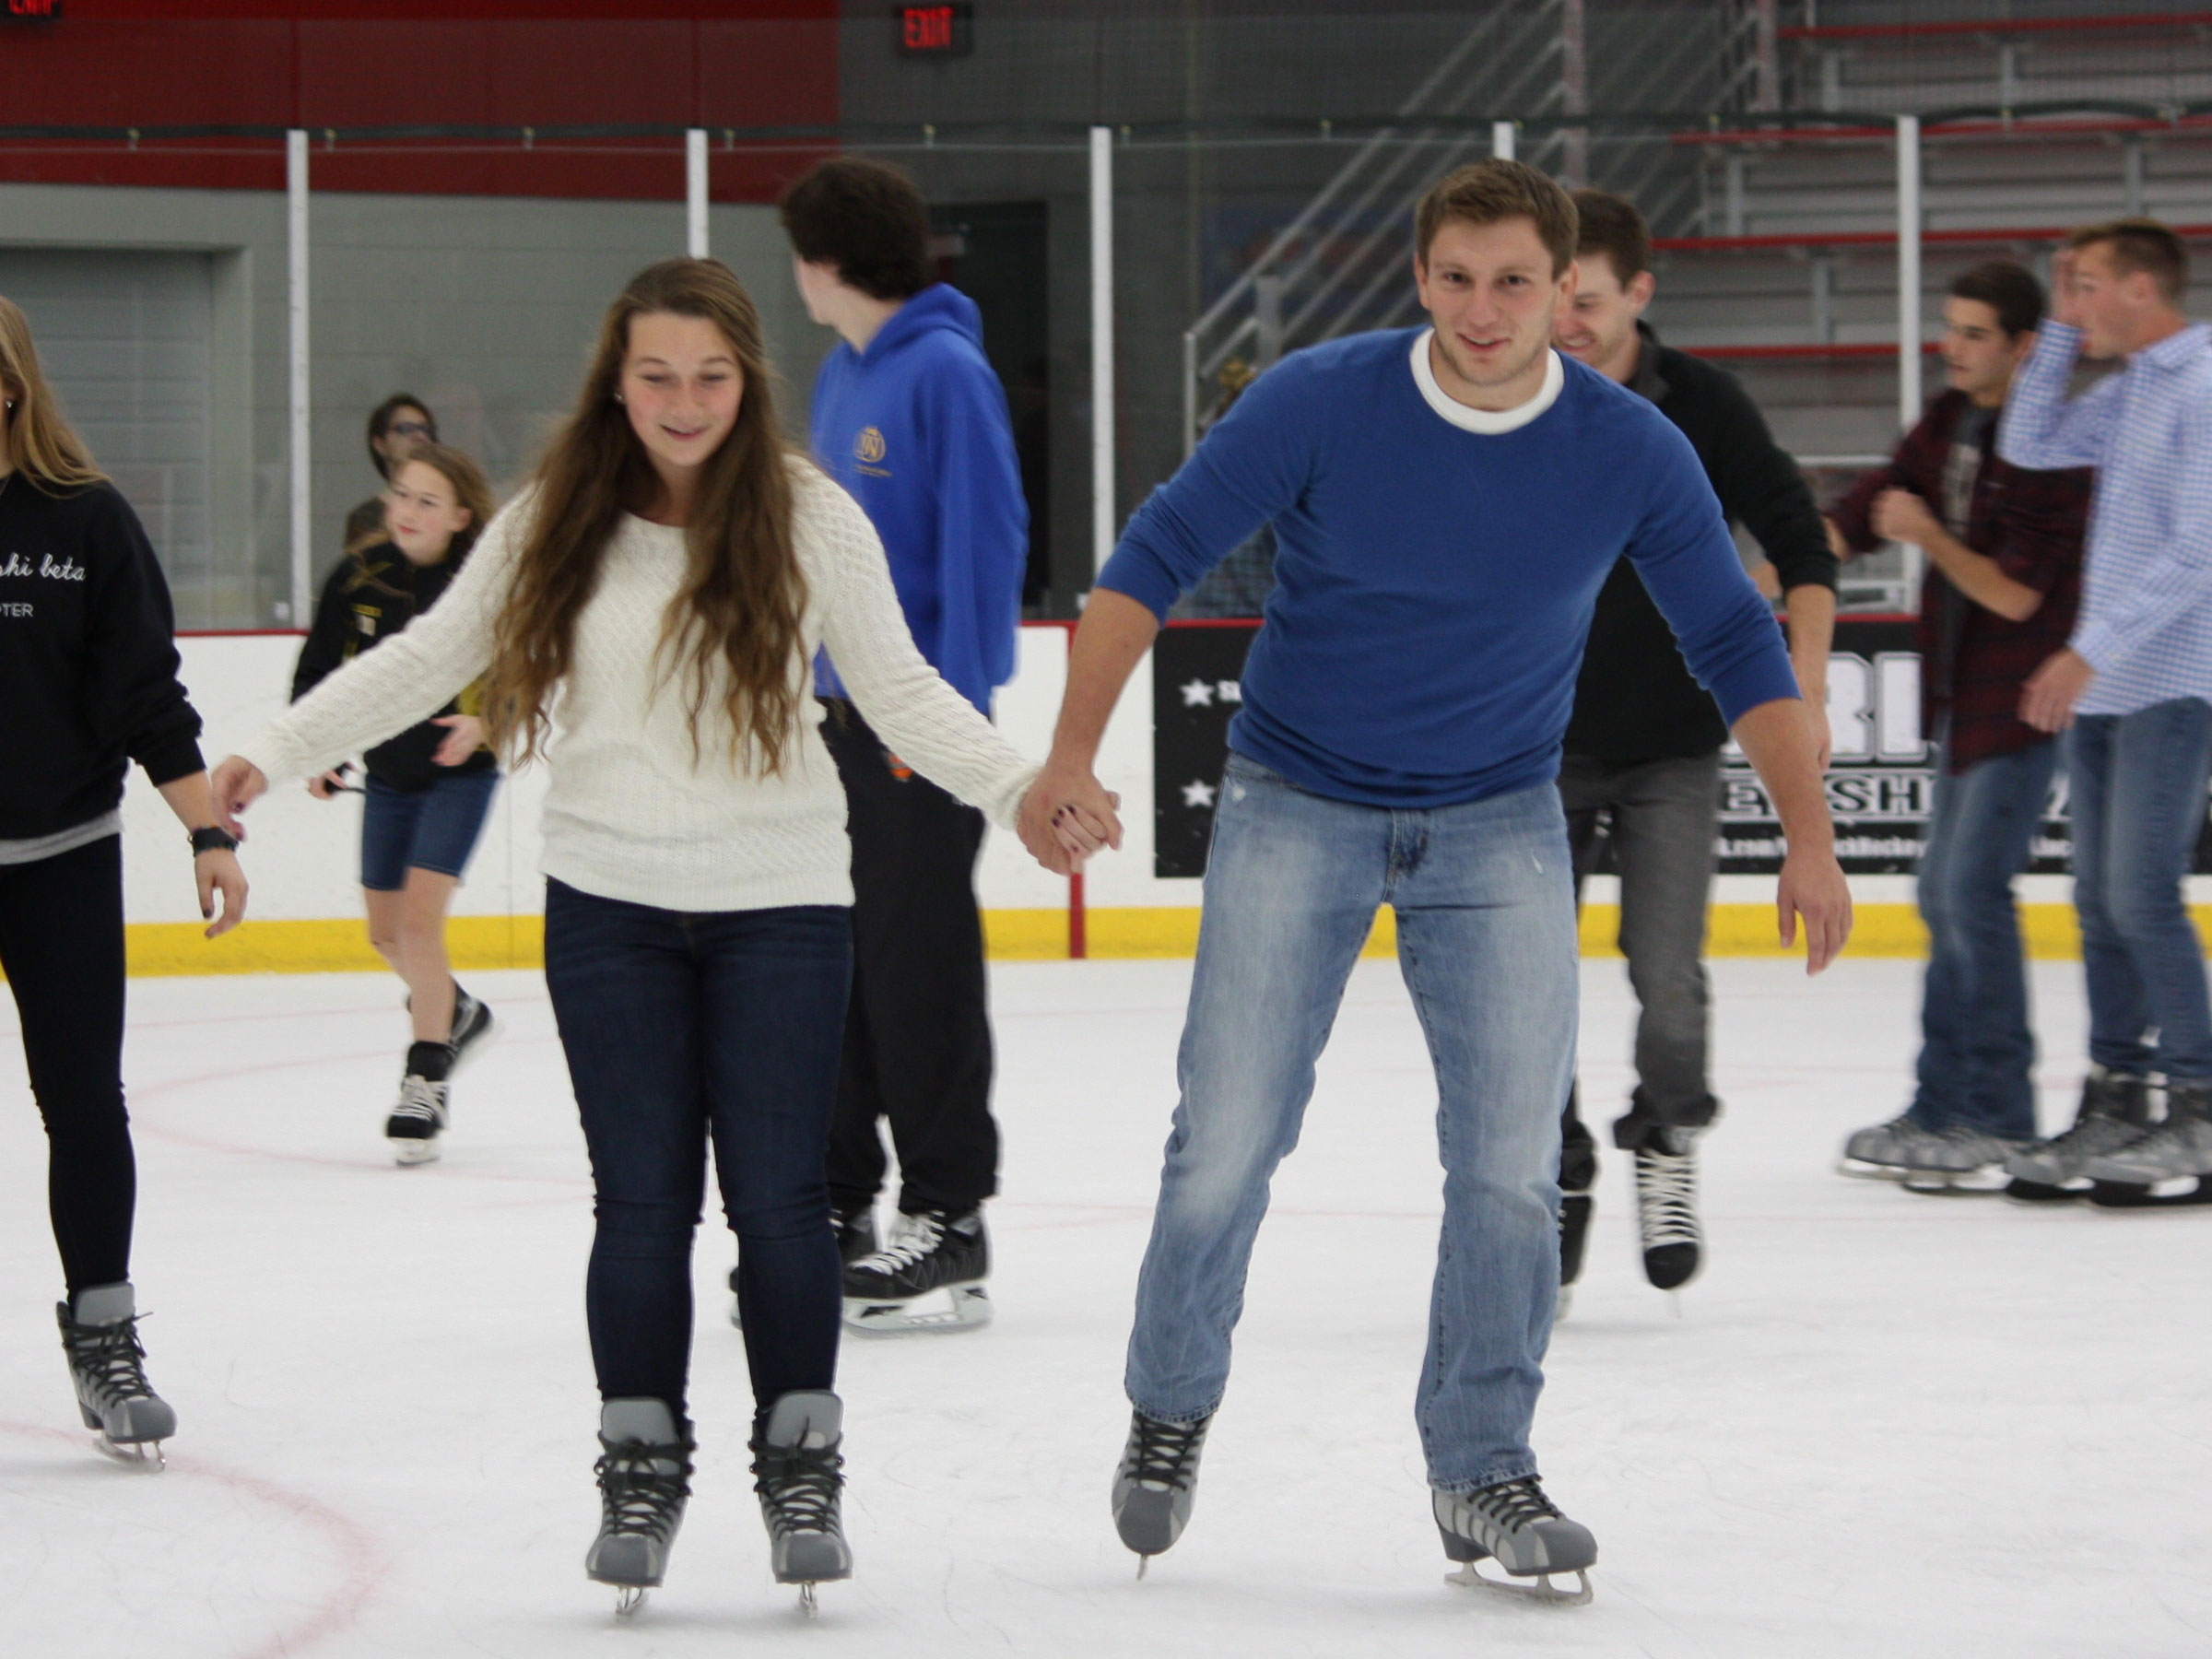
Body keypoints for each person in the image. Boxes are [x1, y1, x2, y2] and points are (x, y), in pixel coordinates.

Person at [1016, 160, 1850, 1601]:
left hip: (1497, 821)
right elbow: (1153, 554)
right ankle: (1170, 1408)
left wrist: (1812, 832)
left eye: (1515, 282)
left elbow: (1733, 634)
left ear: (1566, 292)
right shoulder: (1321, 399)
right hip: (1294, 800)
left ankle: (1482, 1466)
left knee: (1512, 1170)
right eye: (1458, 279)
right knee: (1228, 1138)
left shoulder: (1631, 448)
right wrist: (1070, 753)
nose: (1484, 310)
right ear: (1421, 277)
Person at [210, 260, 1055, 1608]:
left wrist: (1020, 789)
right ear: (618, 377)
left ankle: (800, 1462)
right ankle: (640, 1461)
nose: (683, 400)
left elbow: (898, 690)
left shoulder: (808, 517)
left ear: (747, 382)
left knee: (782, 1205)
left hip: (780, 904)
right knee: (644, 1203)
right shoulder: (559, 520)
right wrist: (274, 743)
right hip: (609, 908)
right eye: (657, 373)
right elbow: (427, 659)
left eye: (711, 375)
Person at [1550, 189, 1839, 1296]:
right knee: (1529, 984)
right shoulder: (1512, 397)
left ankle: (1666, 1139)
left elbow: (1804, 545)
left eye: (1587, 301)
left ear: (1638, 295)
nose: (1565, 322)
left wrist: (1803, 685)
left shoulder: (1701, 405)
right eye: (1555, 297)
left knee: (1667, 976)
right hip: (1538, 745)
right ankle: (1556, 1165)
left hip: (1672, 742)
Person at [778, 156, 1030, 1333]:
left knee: (918, 962)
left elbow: (986, 550)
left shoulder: (944, 373)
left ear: (825, 262)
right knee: (836, 963)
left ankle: (950, 1210)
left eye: (797, 256)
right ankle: (838, 1202)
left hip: (915, 727)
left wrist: (951, 723)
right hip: (830, 722)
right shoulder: (840, 375)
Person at [0, 293, 248, 1465]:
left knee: (83, 1104)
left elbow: (146, 690)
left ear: (10, 385)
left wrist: (210, 835)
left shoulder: (85, 521)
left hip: (56, 860)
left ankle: (104, 1338)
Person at [1827, 264, 2091, 1192]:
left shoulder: (2050, 448)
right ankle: (1943, 1103)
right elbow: (1870, 505)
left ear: (2024, 346)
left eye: (1976, 333)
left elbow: (2016, 594)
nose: (1956, 345)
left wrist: (1929, 535)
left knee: (1969, 892)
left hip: (2022, 700)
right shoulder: (1948, 420)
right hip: (1959, 695)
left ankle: (1999, 1114)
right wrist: (1774, 573)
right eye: (1954, 328)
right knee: (1944, 895)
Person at [1999, 218, 2212, 1209]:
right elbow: (2029, 439)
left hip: (2169, 678)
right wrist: (2051, 332)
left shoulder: (2204, 383)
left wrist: (2091, 648)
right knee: (2095, 902)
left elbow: (2200, 548)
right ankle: (2121, 1096)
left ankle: (2201, 1108)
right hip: (2109, 685)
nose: (2074, 306)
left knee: (2141, 896)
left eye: (2085, 288)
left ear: (2138, 288)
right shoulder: (2126, 391)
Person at [292, 442, 503, 1166]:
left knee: (418, 924)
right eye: (401, 496)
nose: (406, 512)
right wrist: (317, 747)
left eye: (426, 501)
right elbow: (319, 668)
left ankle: (425, 1081)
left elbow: (532, 667)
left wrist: (488, 721)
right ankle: (458, 1010)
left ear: (462, 515)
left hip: (462, 773)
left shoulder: (484, 582)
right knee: (385, 935)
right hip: (387, 774)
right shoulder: (358, 575)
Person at [343, 394, 438, 552]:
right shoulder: (366, 517)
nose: (420, 436)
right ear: (380, 444)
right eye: (406, 429)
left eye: (425, 430)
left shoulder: (448, 506)